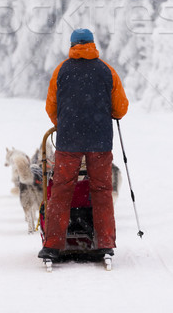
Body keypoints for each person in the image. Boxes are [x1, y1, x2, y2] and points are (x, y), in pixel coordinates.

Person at [38, 28, 128, 260]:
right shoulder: (107, 70)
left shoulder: (61, 70)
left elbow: (51, 107)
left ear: (72, 45)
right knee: (102, 191)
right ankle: (105, 243)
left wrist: (65, 124)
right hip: (100, 142)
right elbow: (121, 108)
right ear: (92, 44)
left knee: (60, 191)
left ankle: (52, 245)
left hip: (69, 142)